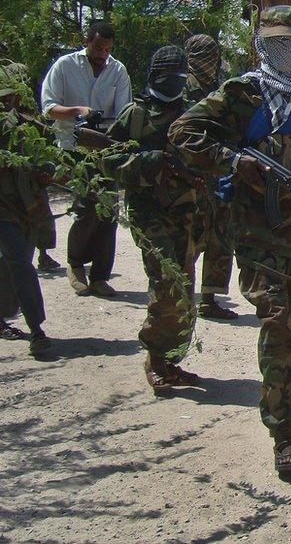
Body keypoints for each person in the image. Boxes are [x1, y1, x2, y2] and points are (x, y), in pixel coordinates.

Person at [170, 5, 291, 474]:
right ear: (260, 45)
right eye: (272, 43)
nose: (282, 51)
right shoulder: (242, 95)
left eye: (290, 43)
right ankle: (280, 432)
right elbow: (183, 133)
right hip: (256, 232)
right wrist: (235, 163)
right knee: (278, 324)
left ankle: (290, 414)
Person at [100, 46, 200, 394]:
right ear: (154, 76)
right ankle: (155, 359)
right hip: (149, 210)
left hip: (186, 212)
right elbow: (108, 159)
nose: (176, 83)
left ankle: (173, 359)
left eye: (180, 76)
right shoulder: (136, 114)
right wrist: (153, 161)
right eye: (169, 76)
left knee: (185, 286)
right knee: (166, 282)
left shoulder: (192, 114)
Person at [41, 21, 132, 298]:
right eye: (98, 47)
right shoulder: (65, 66)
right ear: (87, 41)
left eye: (108, 49)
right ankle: (76, 265)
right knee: (87, 207)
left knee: (109, 211)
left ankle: (100, 276)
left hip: (105, 148)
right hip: (73, 147)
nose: (103, 53)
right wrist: (78, 110)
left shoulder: (118, 70)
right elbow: (48, 109)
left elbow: (124, 112)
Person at [0, 61, 56, 356]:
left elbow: (52, 157)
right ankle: (37, 329)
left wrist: (46, 171)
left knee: (12, 265)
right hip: (4, 209)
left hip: (30, 208)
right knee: (20, 264)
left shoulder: (33, 126)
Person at [184, 33, 238, 320]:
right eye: (202, 54)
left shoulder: (222, 87)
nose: (209, 61)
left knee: (221, 236)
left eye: (212, 54)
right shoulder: (182, 88)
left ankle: (209, 298)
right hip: (190, 174)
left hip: (220, 172)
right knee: (191, 237)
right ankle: (181, 294)